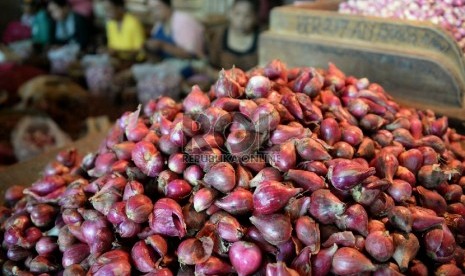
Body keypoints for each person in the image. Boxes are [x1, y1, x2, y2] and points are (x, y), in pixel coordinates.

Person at [208, 0, 260, 71]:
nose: (241, 19)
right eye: (237, 14)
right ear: (230, 13)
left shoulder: (261, 39)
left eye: (247, 16)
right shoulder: (219, 36)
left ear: (255, 18)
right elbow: (210, 67)